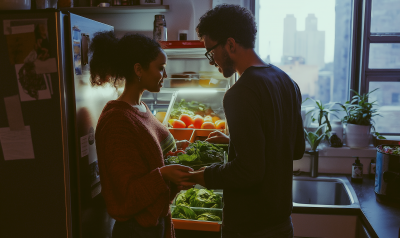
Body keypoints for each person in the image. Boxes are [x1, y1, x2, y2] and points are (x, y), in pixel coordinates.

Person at [188, 4, 305, 238]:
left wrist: (201, 176)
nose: (212, 61)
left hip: (250, 227)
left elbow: (249, 171)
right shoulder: (287, 82)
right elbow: (296, 149)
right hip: (282, 224)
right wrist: (233, 141)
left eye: (211, 52)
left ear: (230, 44)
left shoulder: (240, 93)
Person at [91, 31, 195, 238]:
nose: (164, 75)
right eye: (160, 68)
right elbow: (127, 194)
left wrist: (176, 152)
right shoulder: (117, 121)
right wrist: (164, 174)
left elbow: (149, 160)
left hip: (154, 224)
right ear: (138, 69)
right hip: (136, 230)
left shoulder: (141, 108)